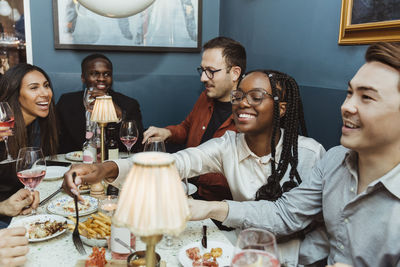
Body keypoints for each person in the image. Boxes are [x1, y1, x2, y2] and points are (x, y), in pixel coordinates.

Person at [63, 69, 327, 266]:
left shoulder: (309, 154)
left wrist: (211, 208)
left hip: (299, 258)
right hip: (242, 251)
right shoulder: (228, 145)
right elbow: (177, 162)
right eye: (238, 95)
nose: (242, 103)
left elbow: (285, 217)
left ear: (281, 108)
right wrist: (106, 169)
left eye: (256, 97)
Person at [187, 42, 400, 266]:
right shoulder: (335, 159)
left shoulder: (312, 152)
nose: (346, 106)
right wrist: (212, 208)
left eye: (367, 97)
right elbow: (285, 214)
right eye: (349, 93)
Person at [142, 36, 246, 202]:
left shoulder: (248, 114)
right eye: (202, 70)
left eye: (211, 71)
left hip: (220, 206)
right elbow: (187, 129)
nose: (203, 78)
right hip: (189, 191)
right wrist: (167, 133)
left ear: (235, 73)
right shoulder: (206, 97)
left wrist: (186, 171)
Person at [0, 63, 56, 226]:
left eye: (46, 86)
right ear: (15, 94)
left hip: (17, 211)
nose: (45, 93)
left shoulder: (37, 127)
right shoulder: (3, 130)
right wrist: (4, 207)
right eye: (34, 88)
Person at [56, 53, 144, 154]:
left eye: (107, 74)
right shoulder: (67, 102)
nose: (102, 78)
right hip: (77, 163)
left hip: (114, 164)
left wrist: (119, 115)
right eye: (94, 73)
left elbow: (138, 145)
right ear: (83, 78)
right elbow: (56, 142)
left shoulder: (129, 104)